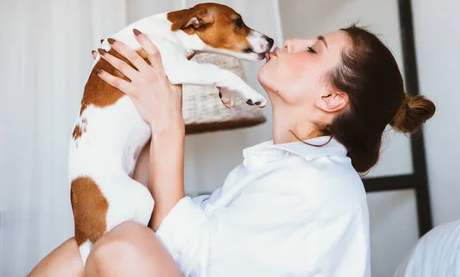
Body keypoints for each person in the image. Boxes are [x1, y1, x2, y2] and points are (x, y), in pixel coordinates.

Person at [28, 25, 435, 277]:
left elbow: (190, 252)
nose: (292, 41)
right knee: (83, 251)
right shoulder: (275, 170)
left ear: (331, 98)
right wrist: (150, 111)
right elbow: (165, 232)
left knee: (123, 245)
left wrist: (170, 124)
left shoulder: (319, 187)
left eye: (313, 49)